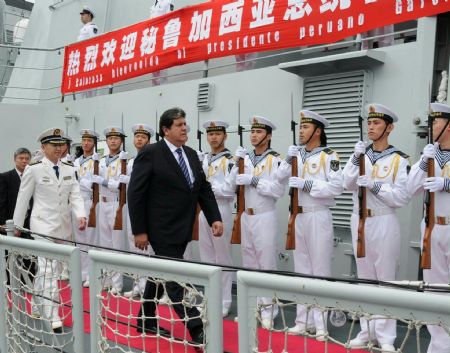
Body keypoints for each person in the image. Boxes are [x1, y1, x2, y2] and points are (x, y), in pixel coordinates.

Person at [127, 107, 223, 345]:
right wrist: (139, 230)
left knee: (159, 273)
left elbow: (203, 188)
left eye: (185, 124)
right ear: (166, 129)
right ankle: (196, 328)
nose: (184, 128)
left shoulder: (190, 154)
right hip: (160, 228)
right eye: (179, 125)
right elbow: (135, 193)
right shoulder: (151, 153)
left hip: (183, 227)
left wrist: (214, 218)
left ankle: (146, 320)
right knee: (175, 278)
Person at [343, 104, 410, 352]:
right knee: (365, 279)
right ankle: (366, 331)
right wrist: (354, 157)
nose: (371, 127)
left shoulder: (398, 159)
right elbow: (345, 183)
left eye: (377, 123)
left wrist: (375, 185)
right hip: (359, 219)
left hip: (384, 219)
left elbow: (401, 198)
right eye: (369, 123)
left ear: (389, 128)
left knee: (386, 279)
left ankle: (386, 338)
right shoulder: (361, 154)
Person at [277, 110, 343, 339]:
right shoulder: (297, 155)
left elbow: (336, 187)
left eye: (305, 128)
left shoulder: (329, 156)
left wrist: (306, 184)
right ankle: (302, 321)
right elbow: (278, 177)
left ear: (318, 131)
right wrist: (288, 158)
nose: (301, 131)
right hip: (298, 216)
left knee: (320, 270)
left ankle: (321, 325)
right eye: (301, 127)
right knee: (302, 270)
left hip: (318, 215)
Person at [13, 128, 86, 332]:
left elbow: (76, 194)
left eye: (61, 145)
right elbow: (23, 199)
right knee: (48, 269)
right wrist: (17, 226)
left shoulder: (70, 168)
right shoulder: (34, 169)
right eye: (53, 145)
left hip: (63, 226)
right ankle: (53, 314)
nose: (58, 148)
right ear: (43, 147)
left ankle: (36, 304)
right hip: (42, 226)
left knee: (52, 270)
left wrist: (81, 214)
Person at [226, 116, 285, 329]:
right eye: (252, 131)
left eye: (259, 132)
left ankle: (269, 311)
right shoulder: (245, 158)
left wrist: (254, 180)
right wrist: (235, 166)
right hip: (245, 215)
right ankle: (251, 308)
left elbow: (277, 190)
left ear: (268, 135)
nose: (254, 135)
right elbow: (231, 185)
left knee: (266, 264)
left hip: (264, 214)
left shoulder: (275, 159)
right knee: (249, 265)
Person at [407, 102, 450, 353]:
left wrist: (446, 183)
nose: (431, 125)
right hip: (432, 227)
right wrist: (424, 160)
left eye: (436, 121)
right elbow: (411, 189)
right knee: (434, 289)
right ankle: (440, 345)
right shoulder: (431, 154)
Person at [197, 120, 234, 318]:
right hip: (204, 210)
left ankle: (225, 300)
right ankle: (210, 299)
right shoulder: (205, 160)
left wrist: (208, 189)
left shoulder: (231, 160)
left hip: (221, 209)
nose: (213, 137)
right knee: (207, 258)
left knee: (223, 257)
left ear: (225, 136)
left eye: (217, 133)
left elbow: (230, 189)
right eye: (210, 134)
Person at [92, 127, 127, 294]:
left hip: (116, 204)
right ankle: (107, 279)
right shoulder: (102, 160)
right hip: (102, 203)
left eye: (116, 138)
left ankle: (118, 284)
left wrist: (103, 182)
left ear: (121, 141)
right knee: (104, 244)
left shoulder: (125, 160)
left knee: (116, 245)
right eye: (110, 138)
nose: (113, 141)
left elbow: (120, 184)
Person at [122, 124, 155, 299]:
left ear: (149, 140)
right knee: (133, 247)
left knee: (145, 249)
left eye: (143, 137)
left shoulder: (152, 158)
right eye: (137, 136)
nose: (139, 139)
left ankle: (145, 288)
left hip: (145, 208)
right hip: (132, 208)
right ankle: (137, 283)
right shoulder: (131, 162)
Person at [0, 148, 35, 286]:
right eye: (21, 158)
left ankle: (29, 283)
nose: (24, 161)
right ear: (15, 159)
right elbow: (1, 201)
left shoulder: (34, 176)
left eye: (27, 158)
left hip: (29, 222)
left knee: (30, 254)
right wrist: (2, 223)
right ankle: (11, 283)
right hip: (11, 222)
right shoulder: (5, 177)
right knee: (11, 254)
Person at [73, 129, 100, 288]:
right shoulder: (76, 162)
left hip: (90, 201)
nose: (85, 143)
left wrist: (79, 180)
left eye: (89, 140)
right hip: (76, 202)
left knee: (91, 240)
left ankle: (92, 273)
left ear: (94, 143)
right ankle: (82, 272)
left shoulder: (97, 161)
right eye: (84, 140)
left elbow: (92, 185)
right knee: (80, 241)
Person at [149, 0, 174, 85]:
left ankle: (163, 87)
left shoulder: (167, 2)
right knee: (153, 65)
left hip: (162, 37)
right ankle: (154, 87)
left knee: (162, 65)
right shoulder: (153, 6)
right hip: (153, 39)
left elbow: (170, 18)